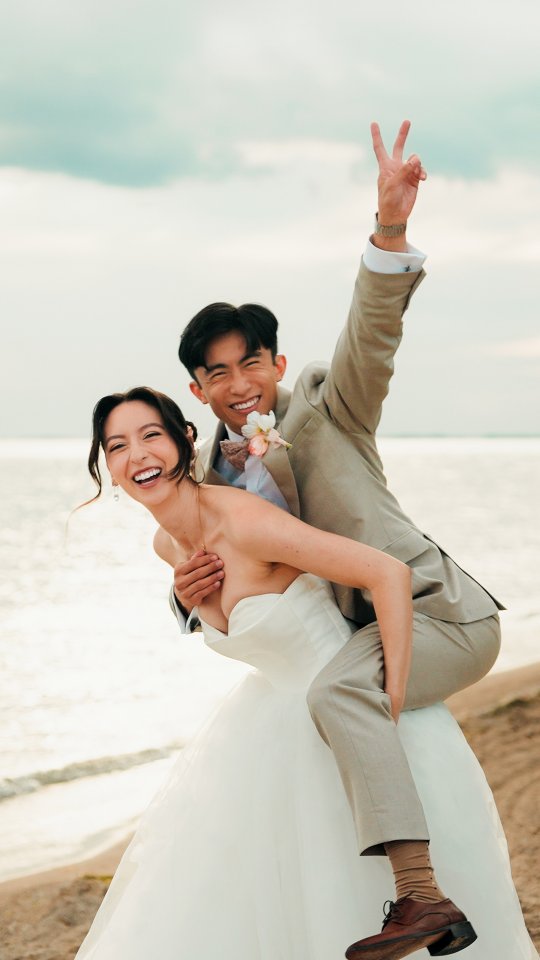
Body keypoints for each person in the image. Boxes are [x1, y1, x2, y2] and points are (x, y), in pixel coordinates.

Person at [170, 122, 505, 956]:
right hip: (364, 634)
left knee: (336, 695)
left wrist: (389, 229)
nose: (238, 385)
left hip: (440, 615)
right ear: (197, 389)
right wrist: (186, 602)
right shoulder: (208, 486)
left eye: (252, 363)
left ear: (278, 365)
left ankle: (421, 901)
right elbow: (212, 570)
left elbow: (373, 335)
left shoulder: (330, 407)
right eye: (217, 373)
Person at [75, 388, 537, 960]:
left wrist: (390, 698)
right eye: (116, 445)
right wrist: (181, 602)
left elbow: (386, 574)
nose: (136, 454)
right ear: (107, 468)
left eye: (150, 435)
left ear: (185, 441)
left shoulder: (244, 520)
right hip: (267, 728)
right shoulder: (165, 546)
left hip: (351, 716)